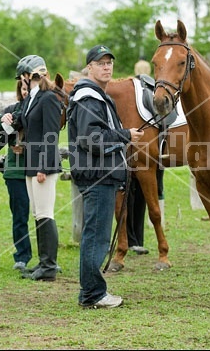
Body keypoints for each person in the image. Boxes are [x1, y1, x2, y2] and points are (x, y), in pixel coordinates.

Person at [67, 44, 144, 308]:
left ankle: (91, 291)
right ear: (89, 67)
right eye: (100, 63)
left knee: (95, 235)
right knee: (96, 237)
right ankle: (92, 294)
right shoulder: (89, 98)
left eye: (109, 62)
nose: (106, 66)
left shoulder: (95, 95)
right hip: (98, 176)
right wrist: (125, 135)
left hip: (99, 174)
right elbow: (92, 139)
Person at [11, 55, 63, 282]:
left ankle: (49, 266)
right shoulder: (32, 98)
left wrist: (43, 166)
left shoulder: (48, 98)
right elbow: (24, 123)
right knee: (37, 213)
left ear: (26, 76)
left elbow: (51, 135)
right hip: (30, 164)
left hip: (43, 165)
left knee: (45, 213)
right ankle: (42, 263)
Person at [0, 75, 31, 273]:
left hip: (37, 169)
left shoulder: (42, 109)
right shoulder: (13, 109)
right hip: (15, 171)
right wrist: (0, 119)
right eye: (22, 88)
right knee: (20, 216)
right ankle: (22, 256)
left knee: (42, 215)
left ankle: (48, 259)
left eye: (28, 88)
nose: (25, 91)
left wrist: (27, 148)